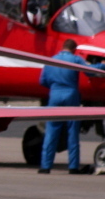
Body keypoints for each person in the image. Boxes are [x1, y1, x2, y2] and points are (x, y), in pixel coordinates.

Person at [38, 39, 103, 175]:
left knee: (51, 131)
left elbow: (42, 80)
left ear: (62, 47)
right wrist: (102, 65)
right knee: (72, 131)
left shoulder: (52, 60)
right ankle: (73, 167)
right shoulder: (76, 59)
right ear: (74, 49)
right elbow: (90, 71)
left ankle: (45, 166)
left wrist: (55, 86)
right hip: (70, 95)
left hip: (55, 95)